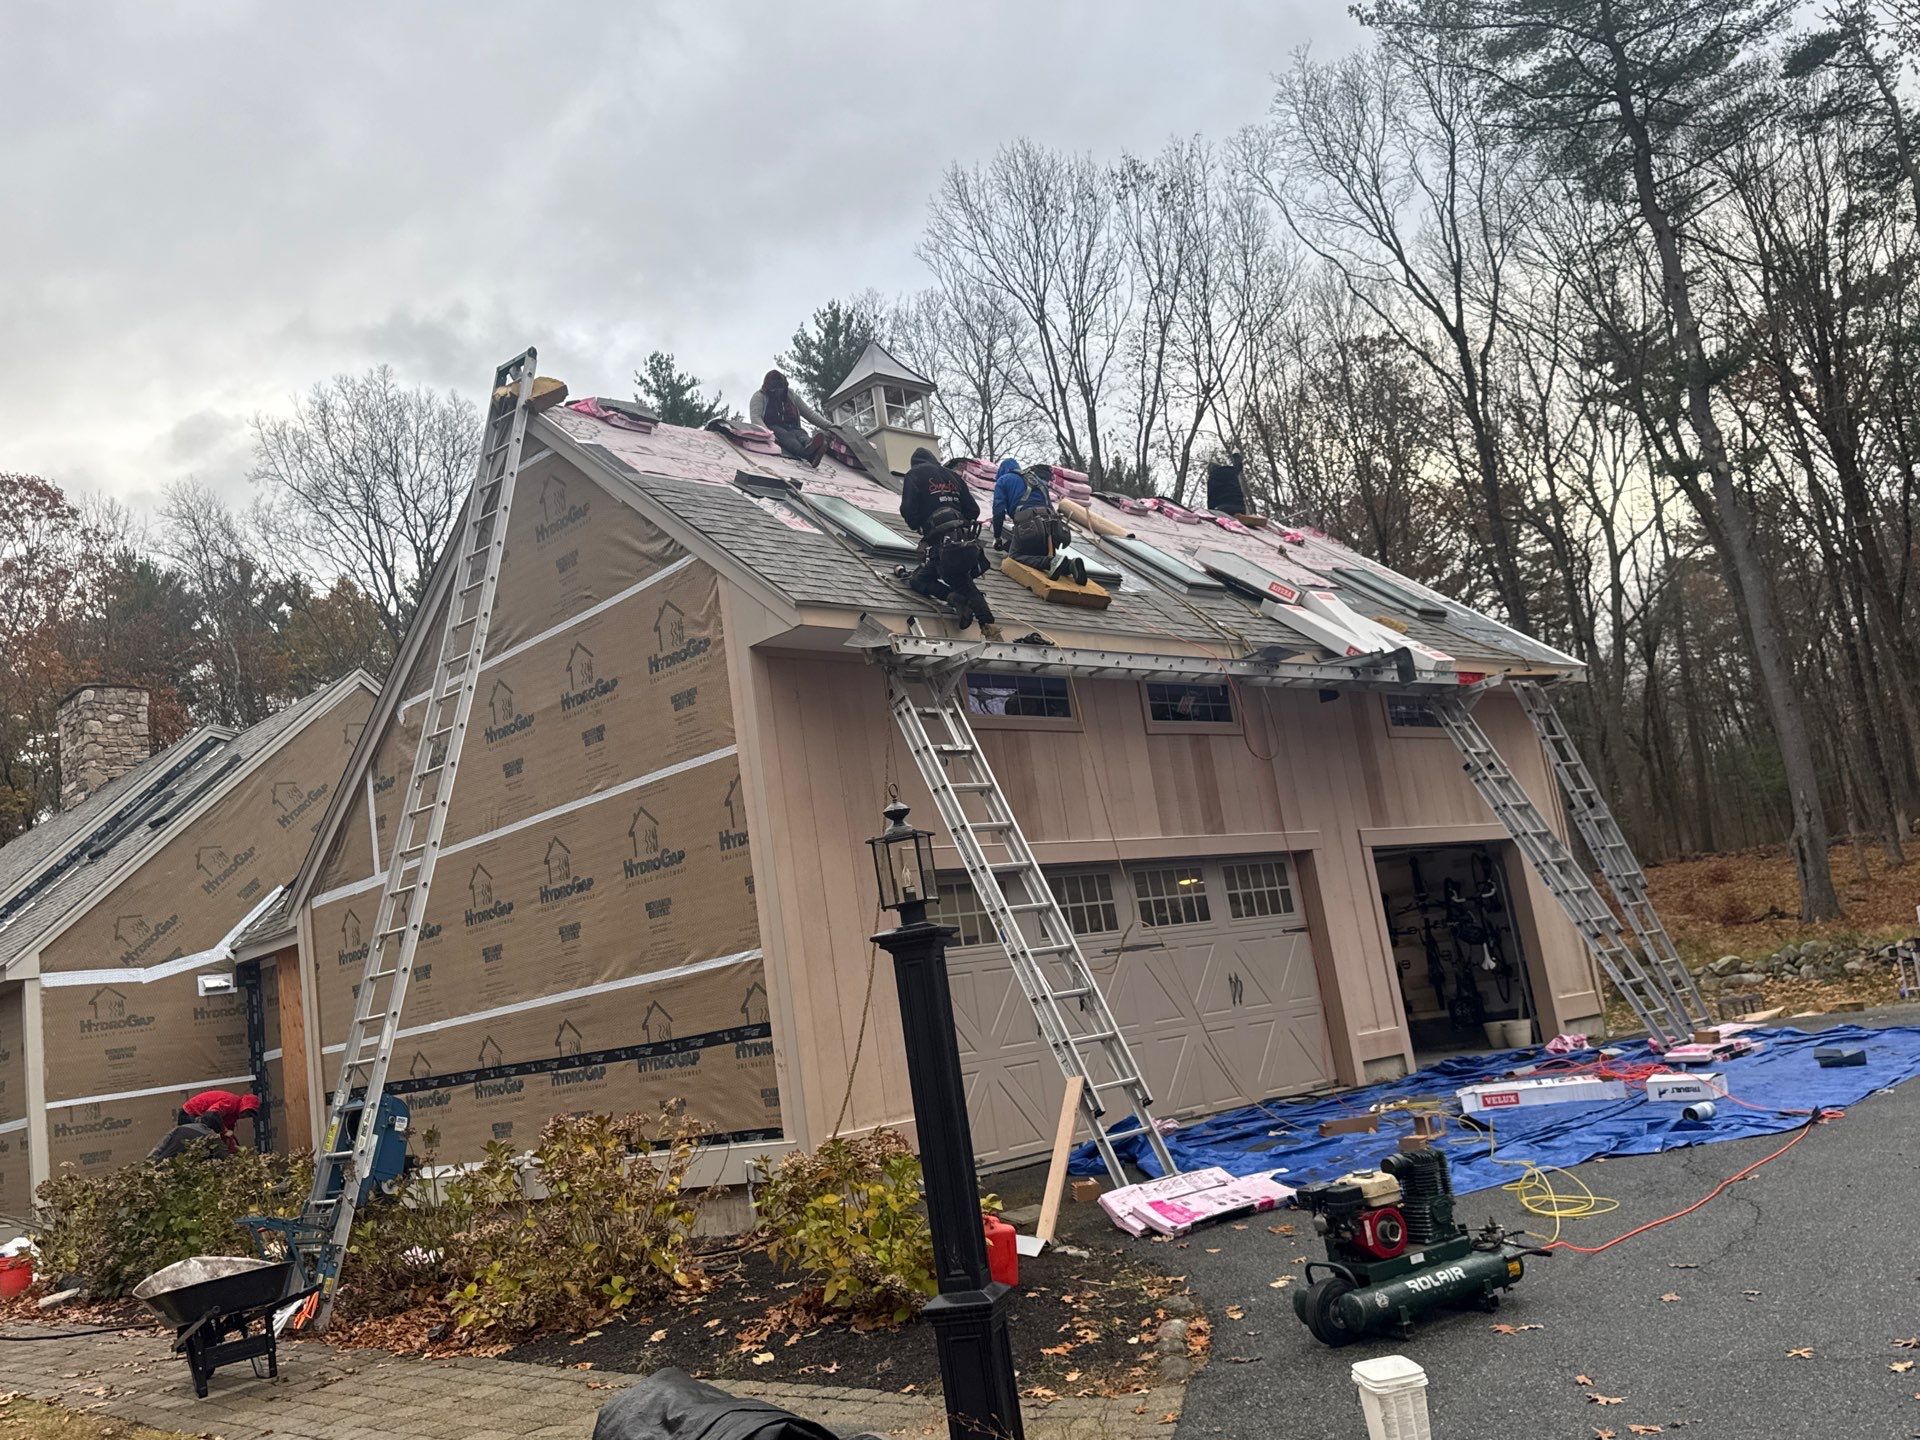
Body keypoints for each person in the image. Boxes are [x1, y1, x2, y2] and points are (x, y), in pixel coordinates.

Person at [898, 447, 998, 635]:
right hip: (963, 543)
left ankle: (986, 624)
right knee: (924, 578)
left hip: (941, 544)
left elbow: (908, 509)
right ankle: (959, 602)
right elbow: (973, 510)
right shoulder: (953, 476)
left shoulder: (914, 474)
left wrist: (918, 524)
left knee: (955, 581)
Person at [991, 458, 1086, 585]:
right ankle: (1070, 564)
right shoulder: (1036, 480)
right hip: (1051, 526)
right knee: (1044, 559)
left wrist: (997, 537)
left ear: (1002, 471)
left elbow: (998, 512)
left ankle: (1050, 562)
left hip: (1029, 524)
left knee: (1014, 556)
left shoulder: (1003, 480)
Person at [748, 369, 830, 465]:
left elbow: (809, 413)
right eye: (775, 390)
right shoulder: (759, 396)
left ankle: (811, 446)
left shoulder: (791, 395)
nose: (778, 392)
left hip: (793, 427)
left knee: (801, 434)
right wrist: (768, 435)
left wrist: (829, 426)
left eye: (781, 389)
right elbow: (756, 418)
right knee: (788, 437)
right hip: (774, 428)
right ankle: (808, 455)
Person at [178, 1088, 262, 1155]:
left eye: (248, 1115)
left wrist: (232, 1150)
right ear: (244, 1106)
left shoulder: (234, 1114)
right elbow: (211, 1114)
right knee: (199, 1146)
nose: (245, 1116)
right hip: (189, 1115)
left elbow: (228, 1134)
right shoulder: (231, 1102)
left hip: (197, 1116)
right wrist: (224, 1131)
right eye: (246, 1112)